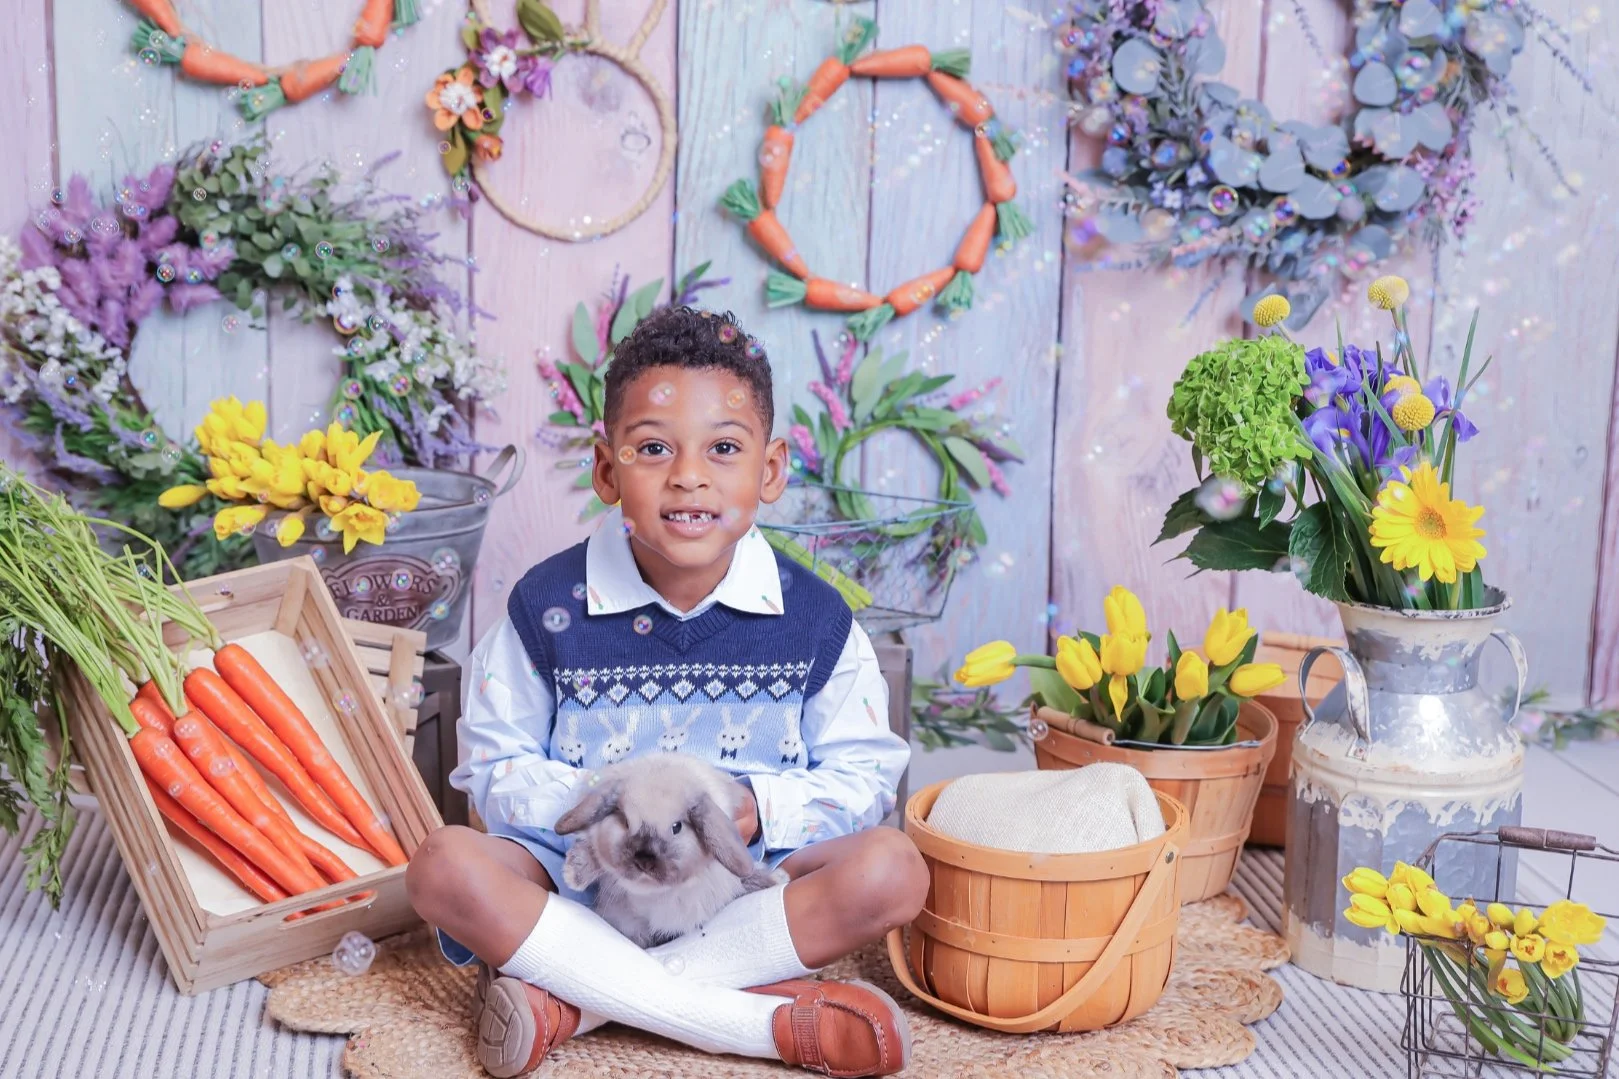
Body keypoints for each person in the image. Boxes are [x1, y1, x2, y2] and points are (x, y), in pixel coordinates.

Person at [406, 305, 929, 1078]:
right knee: (443, 864)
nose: (688, 474)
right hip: (583, 883)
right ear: (606, 469)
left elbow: (864, 775)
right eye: (653, 448)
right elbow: (492, 762)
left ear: (771, 470)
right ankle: (748, 1022)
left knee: (893, 867)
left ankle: (576, 1001)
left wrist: (754, 809)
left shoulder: (816, 619)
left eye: (724, 448)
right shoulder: (546, 605)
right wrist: (604, 806)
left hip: (748, 892)